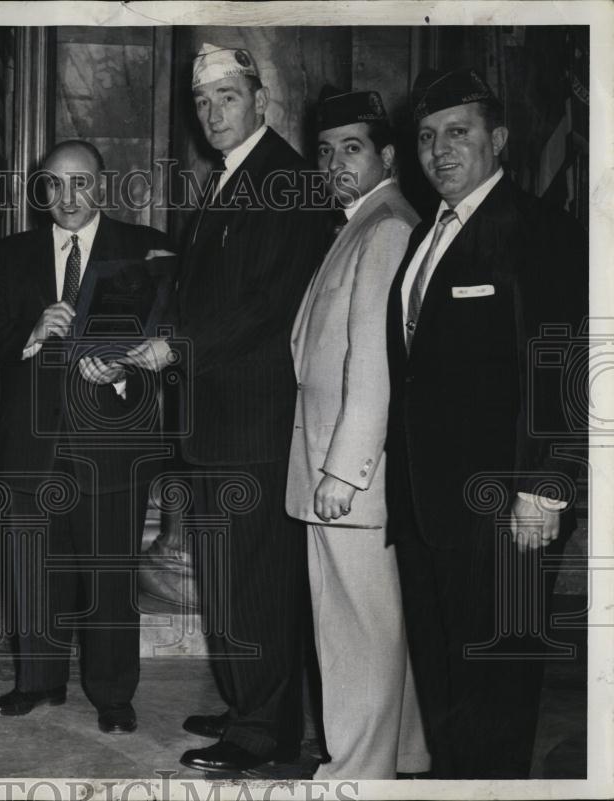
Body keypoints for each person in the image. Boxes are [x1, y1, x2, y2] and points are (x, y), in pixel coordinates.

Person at [125, 44, 328, 772]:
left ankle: (262, 731)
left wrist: (175, 347)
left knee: (255, 581)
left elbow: (265, 305)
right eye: (203, 102)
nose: (213, 113)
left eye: (228, 98)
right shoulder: (229, 179)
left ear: (260, 100)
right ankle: (251, 704)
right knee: (228, 577)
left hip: (253, 422)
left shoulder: (287, 182)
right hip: (217, 421)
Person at [385, 68, 587, 778]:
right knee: (444, 681)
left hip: (507, 506)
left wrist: (550, 484)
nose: (440, 150)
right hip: (427, 504)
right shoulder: (425, 237)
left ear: (497, 140)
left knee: (498, 688)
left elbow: (563, 361)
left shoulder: (539, 230)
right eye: (427, 137)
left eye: (459, 133)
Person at [0, 140, 171, 734]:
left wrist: (129, 363)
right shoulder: (11, 253)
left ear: (101, 187)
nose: (66, 197)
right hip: (32, 442)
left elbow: (171, 326)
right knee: (32, 566)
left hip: (112, 441)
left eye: (79, 182)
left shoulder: (142, 247)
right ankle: (37, 681)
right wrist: (31, 331)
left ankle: (112, 693)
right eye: (53, 185)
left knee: (110, 572)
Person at [285, 85, 429, 779]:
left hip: (346, 473)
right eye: (325, 151)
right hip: (332, 460)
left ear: (388, 155)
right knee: (372, 621)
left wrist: (344, 470)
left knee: (355, 629)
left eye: (352, 148)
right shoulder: (359, 221)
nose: (335, 162)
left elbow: (374, 362)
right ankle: (398, 753)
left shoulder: (387, 226)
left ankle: (355, 775)